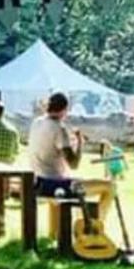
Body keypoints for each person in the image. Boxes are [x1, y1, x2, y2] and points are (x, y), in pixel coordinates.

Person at [28, 92, 113, 220]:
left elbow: (51, 146)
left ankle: (60, 232)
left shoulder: (37, 122)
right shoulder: (59, 128)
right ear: (65, 109)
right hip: (54, 184)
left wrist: (69, 142)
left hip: (37, 181)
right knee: (110, 186)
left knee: (78, 183)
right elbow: (74, 164)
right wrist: (79, 143)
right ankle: (96, 227)